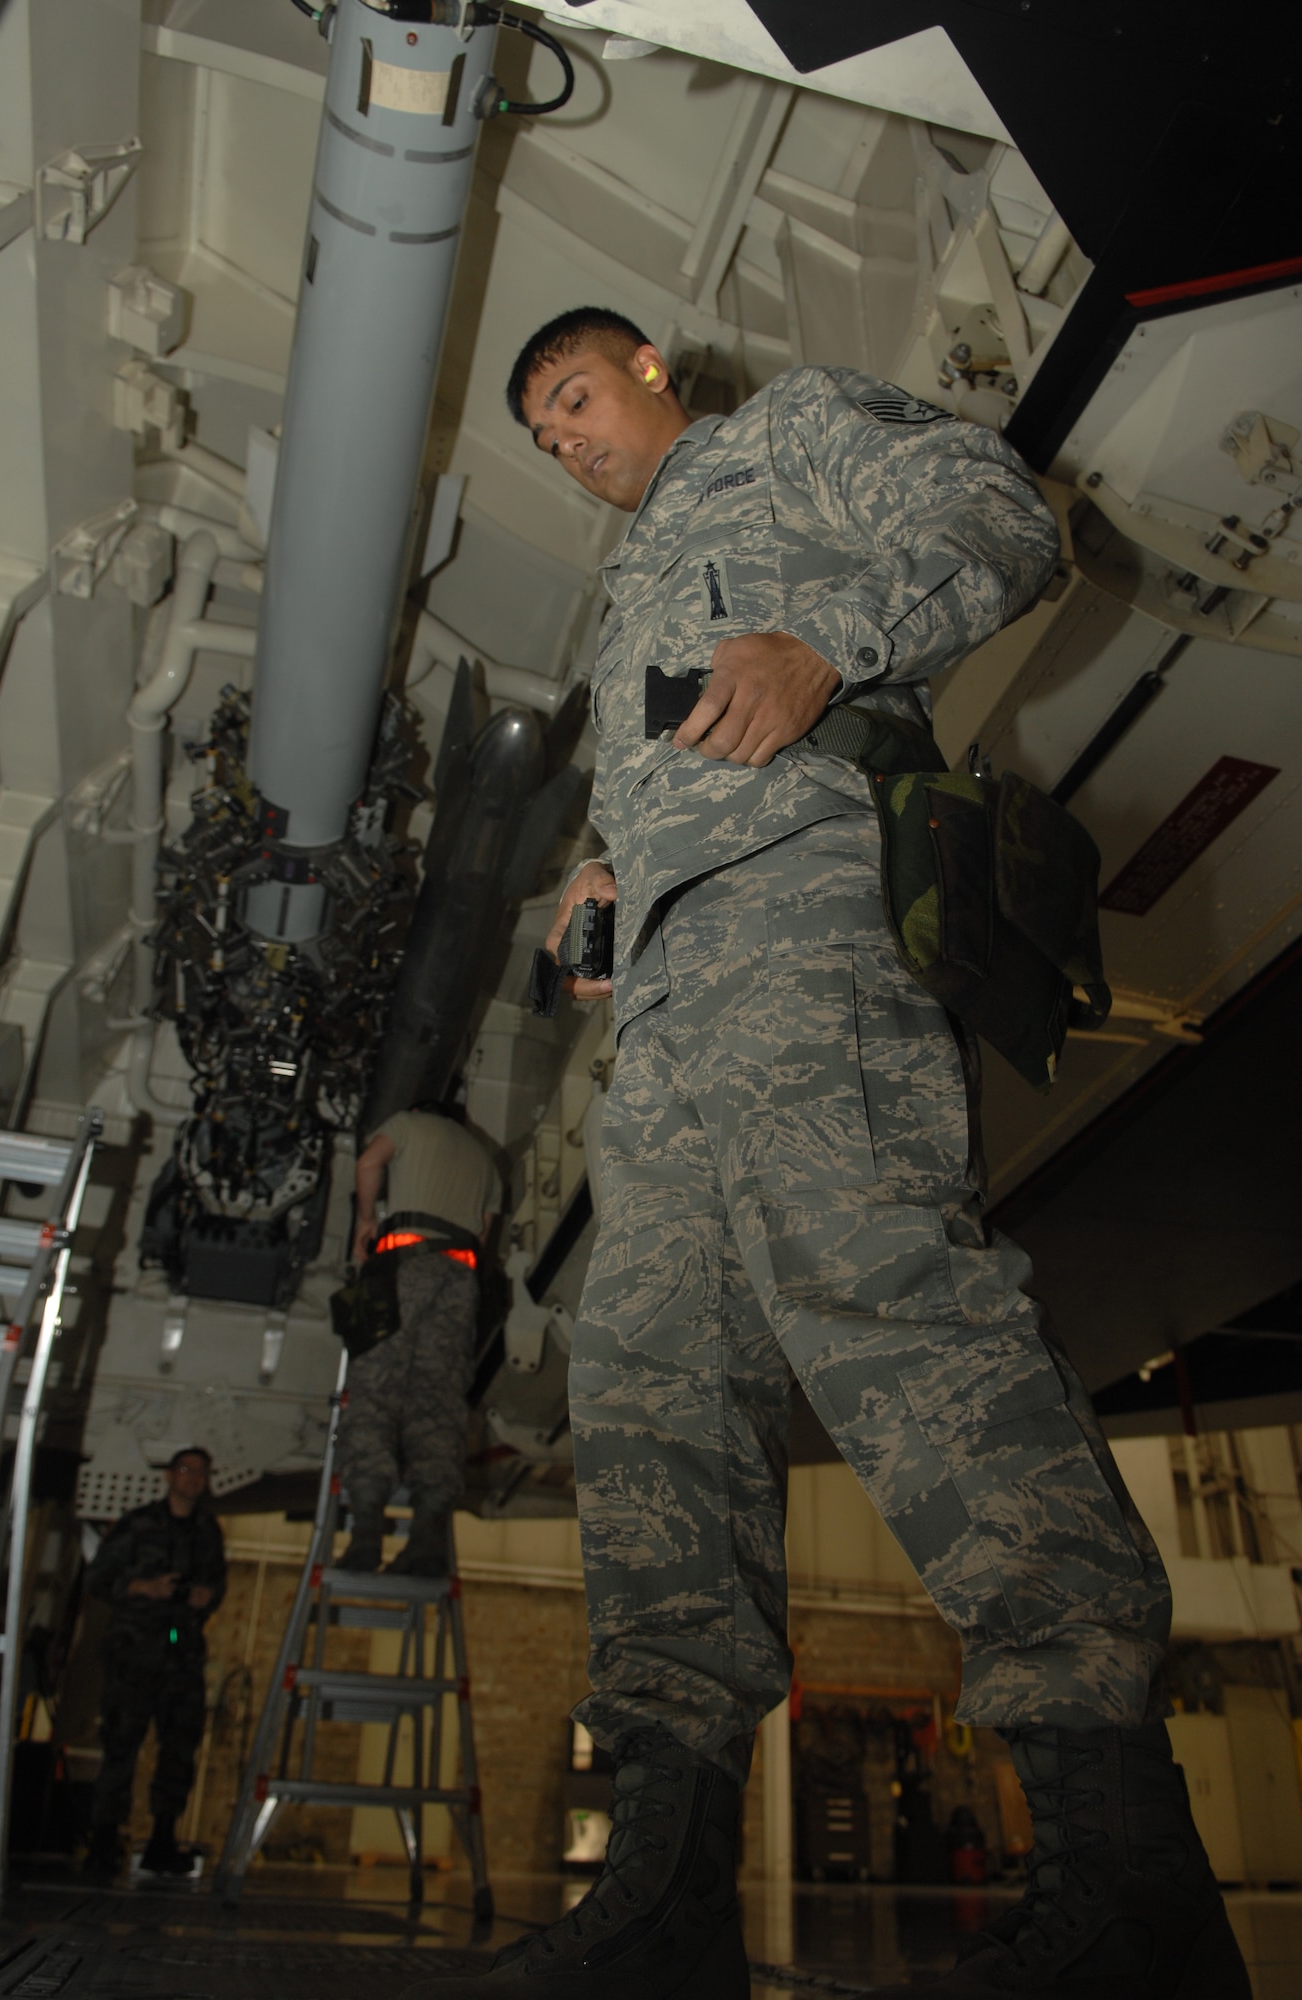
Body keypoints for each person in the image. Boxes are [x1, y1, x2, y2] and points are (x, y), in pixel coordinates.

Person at [411, 311, 1249, 2000]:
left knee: (886, 1303)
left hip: (806, 914)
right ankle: (666, 1896)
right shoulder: (636, 587)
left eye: (575, 397)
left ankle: (1129, 1883)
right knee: (649, 1389)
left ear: (652, 367)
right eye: (546, 437)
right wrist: (606, 865)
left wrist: (828, 644)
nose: (570, 443)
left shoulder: (786, 435)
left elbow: (1004, 522)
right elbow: (679, 751)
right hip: (670, 995)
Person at [338, 1100, 500, 1574]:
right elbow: (483, 1235)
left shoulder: (407, 1124)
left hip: (403, 1264)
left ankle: (367, 1530)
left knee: (373, 1392)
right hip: (461, 1278)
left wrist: (365, 1220)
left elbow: (369, 1162)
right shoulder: (485, 1160)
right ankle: (428, 1536)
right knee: (438, 1401)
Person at [84, 1444, 226, 1880]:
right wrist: (144, 1588)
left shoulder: (208, 1531)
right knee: (121, 1742)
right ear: (169, 1475)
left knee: (179, 1745)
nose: (192, 1478)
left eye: (200, 1473)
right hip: (135, 1649)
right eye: (186, 1470)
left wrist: (204, 1597)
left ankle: (163, 1838)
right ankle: (104, 1839)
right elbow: (99, 1578)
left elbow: (217, 1583)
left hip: (181, 1650)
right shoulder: (138, 1524)